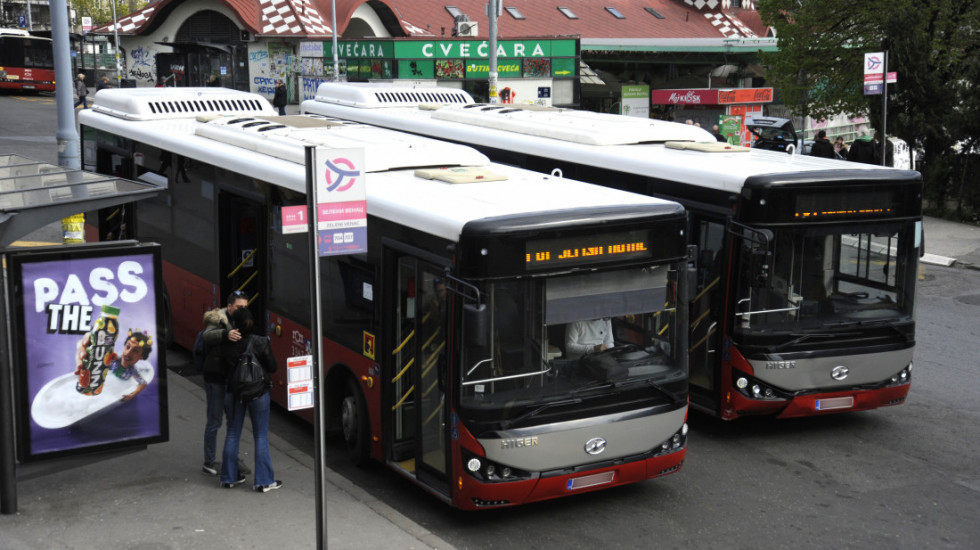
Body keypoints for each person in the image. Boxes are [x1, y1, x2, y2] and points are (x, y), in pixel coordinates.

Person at [219, 307, 281, 492]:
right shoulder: (260, 342)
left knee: (232, 433)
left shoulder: (227, 342)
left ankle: (228, 478)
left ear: (235, 324)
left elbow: (221, 367)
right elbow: (273, 367)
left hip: (233, 393)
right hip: (258, 392)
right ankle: (263, 481)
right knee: (260, 435)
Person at [200, 290, 252, 477]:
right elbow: (207, 335)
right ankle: (209, 461)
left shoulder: (241, 319)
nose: (242, 310)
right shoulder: (218, 319)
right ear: (229, 307)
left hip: (231, 378)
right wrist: (226, 334)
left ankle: (232, 458)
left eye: (245, 307)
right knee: (215, 421)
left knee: (233, 422)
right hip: (216, 378)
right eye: (239, 307)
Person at [107, 329, 152, 401]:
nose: (127, 353)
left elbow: (143, 383)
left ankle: (144, 369)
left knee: (140, 370)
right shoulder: (114, 360)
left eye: (135, 351)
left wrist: (133, 394)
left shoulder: (132, 370)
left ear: (142, 357)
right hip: (112, 379)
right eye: (127, 347)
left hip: (125, 379)